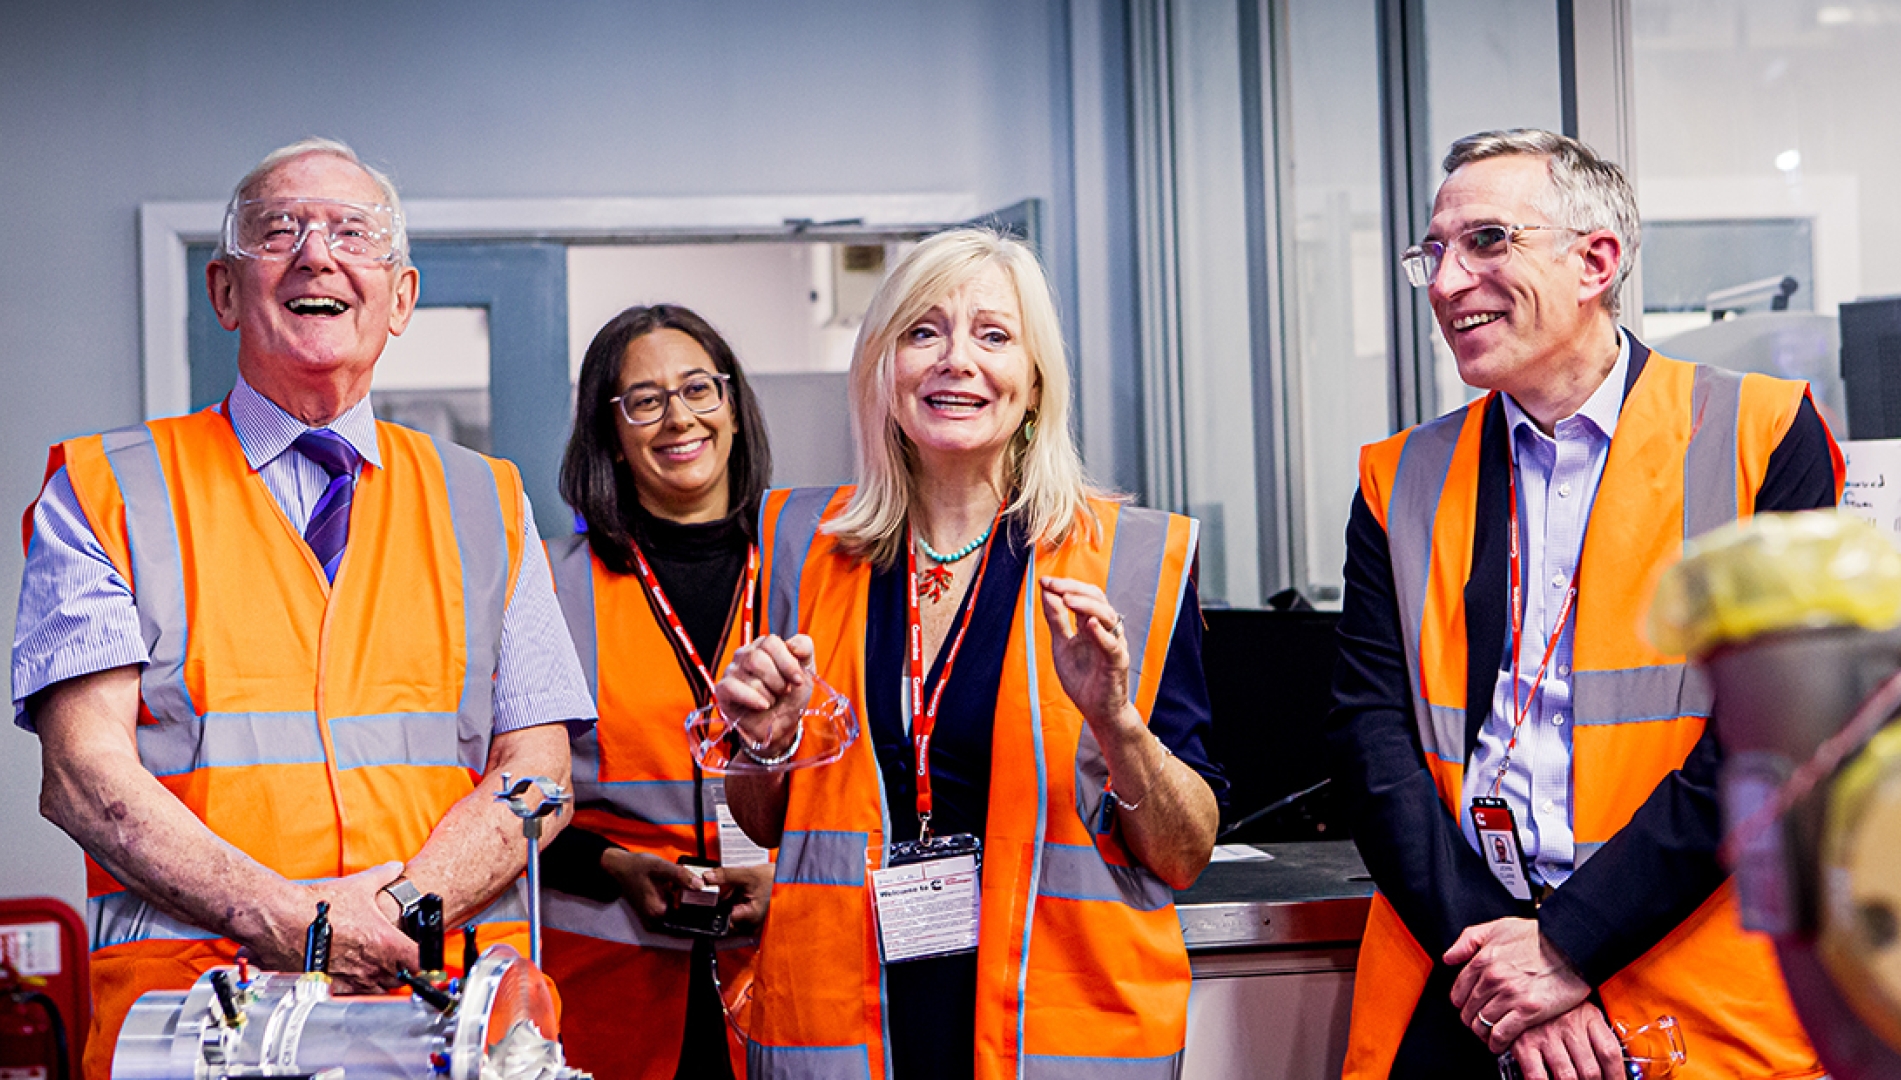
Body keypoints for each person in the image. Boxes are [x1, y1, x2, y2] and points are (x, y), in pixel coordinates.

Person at [12, 138, 595, 1080]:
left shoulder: (486, 499)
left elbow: (539, 774)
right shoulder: (106, 489)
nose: (316, 253)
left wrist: (399, 911)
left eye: (353, 233)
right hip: (191, 1026)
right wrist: (299, 924)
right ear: (226, 292)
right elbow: (83, 774)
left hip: (439, 1020)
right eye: (279, 230)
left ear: (401, 297)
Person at [1329, 128, 1842, 1080]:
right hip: (1461, 980)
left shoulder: (1764, 433)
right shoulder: (1398, 478)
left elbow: (1778, 739)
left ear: (1595, 261)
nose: (1445, 283)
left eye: (1485, 242)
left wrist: (1568, 945)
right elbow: (1371, 738)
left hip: (1684, 978)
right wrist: (1503, 961)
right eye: (1432, 253)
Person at [712, 228, 1226, 1079]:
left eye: (993, 335)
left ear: (1033, 383)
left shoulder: (1128, 557)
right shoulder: (804, 540)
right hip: (848, 1025)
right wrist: (766, 741)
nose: (957, 360)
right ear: (884, 367)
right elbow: (770, 822)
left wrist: (1115, 721)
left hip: (1052, 1033)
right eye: (924, 332)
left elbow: (1184, 853)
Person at [539, 304, 778, 1080]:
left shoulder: (817, 570)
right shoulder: (545, 585)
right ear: (611, 433)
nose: (679, 417)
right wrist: (611, 864)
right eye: (644, 400)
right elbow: (492, 799)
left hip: (787, 986)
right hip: (607, 996)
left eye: (700, 389)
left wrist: (796, 874)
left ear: (734, 409)